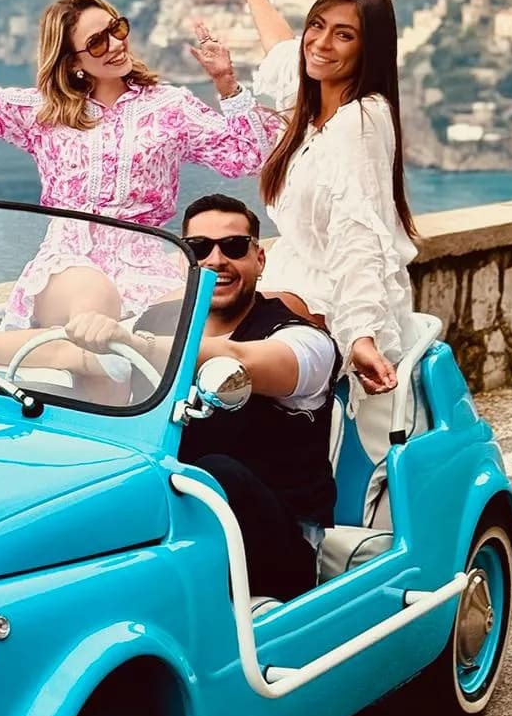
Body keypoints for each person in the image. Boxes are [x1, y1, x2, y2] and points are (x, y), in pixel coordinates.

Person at [0, 0, 276, 333]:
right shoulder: (45, 112)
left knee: (170, 348)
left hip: (146, 269)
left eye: (117, 29)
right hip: (67, 264)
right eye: (97, 42)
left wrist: (226, 82)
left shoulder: (170, 107)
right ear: (73, 61)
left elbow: (249, 156)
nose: (114, 44)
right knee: (94, 313)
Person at [65, 194, 339, 602]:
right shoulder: (156, 325)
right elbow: (66, 350)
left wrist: (131, 340)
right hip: (171, 531)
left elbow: (242, 358)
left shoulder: (302, 340)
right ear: (184, 261)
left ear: (259, 259)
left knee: (214, 472)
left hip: (275, 544)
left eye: (233, 247)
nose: (216, 260)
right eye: (199, 248)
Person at [232, 0, 419, 395]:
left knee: (207, 352)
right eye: (317, 25)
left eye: (344, 34)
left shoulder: (361, 120)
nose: (321, 43)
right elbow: (280, 47)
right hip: (285, 281)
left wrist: (361, 336)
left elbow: (360, 234)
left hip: (327, 297)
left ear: (367, 49)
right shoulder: (311, 103)